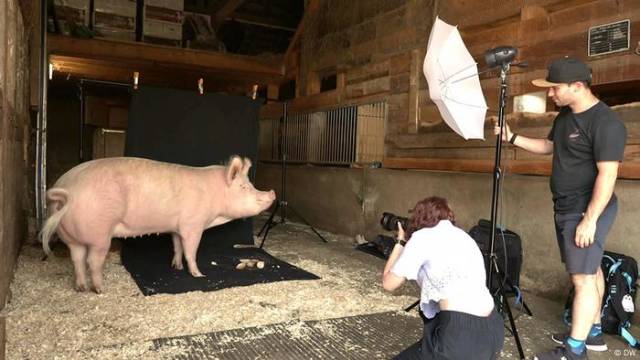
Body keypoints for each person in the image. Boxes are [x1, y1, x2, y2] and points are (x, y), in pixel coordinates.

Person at [494, 57, 627, 360]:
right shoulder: (565, 118)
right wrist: (511, 137)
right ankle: (592, 334)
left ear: (577, 86)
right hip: (566, 207)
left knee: (581, 278)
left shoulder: (606, 123)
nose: (550, 94)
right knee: (589, 272)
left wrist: (590, 219)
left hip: (586, 209)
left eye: (554, 88)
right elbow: (547, 146)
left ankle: (574, 351)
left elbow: (608, 175)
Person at [382, 196, 504, 360]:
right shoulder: (465, 237)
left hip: (460, 336)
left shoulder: (422, 237)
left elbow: (388, 283)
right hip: (494, 330)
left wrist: (400, 242)